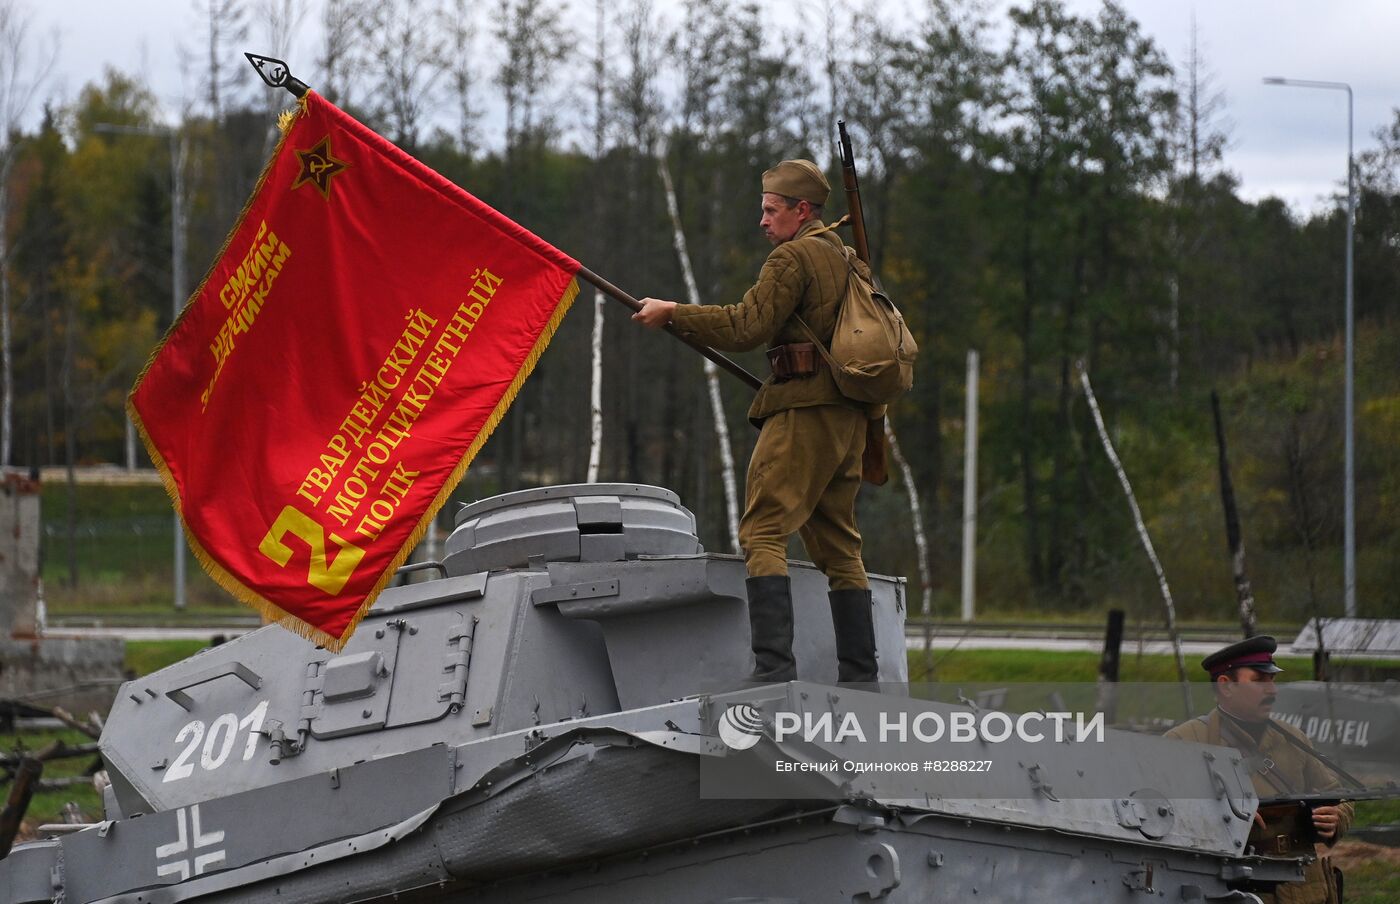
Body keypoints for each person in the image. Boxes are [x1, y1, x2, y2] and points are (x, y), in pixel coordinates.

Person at [633, 159, 883, 683]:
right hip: (848, 420)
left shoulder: (793, 258)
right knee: (840, 548)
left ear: (802, 210)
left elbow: (746, 326)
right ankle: (862, 678)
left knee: (764, 532)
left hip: (803, 414)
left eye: (772, 210)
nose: (763, 221)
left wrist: (673, 313)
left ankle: (773, 671)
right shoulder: (847, 257)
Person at [1164, 635, 1351, 904]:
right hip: (1228, 888)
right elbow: (1159, 812)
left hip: (1302, 889)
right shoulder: (1184, 741)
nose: (1272, 690)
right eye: (1259, 681)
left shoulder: (1294, 739)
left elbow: (1338, 795)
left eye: (1272, 680)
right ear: (1226, 686)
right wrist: (1224, 816)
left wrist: (1335, 816)